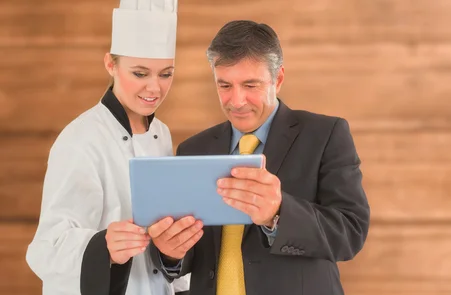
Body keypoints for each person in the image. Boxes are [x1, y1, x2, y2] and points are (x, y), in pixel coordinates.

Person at [144, 20, 371, 295]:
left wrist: (278, 213)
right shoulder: (193, 149)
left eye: (250, 85)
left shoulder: (325, 135)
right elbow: (193, 254)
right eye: (224, 85)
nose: (236, 101)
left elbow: (350, 232)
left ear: (278, 79)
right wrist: (171, 255)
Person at [25, 0, 195, 294]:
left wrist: (171, 253)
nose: (154, 88)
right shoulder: (80, 139)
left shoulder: (162, 134)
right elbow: (45, 249)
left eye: (166, 74)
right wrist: (103, 246)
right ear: (110, 65)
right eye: (140, 73)